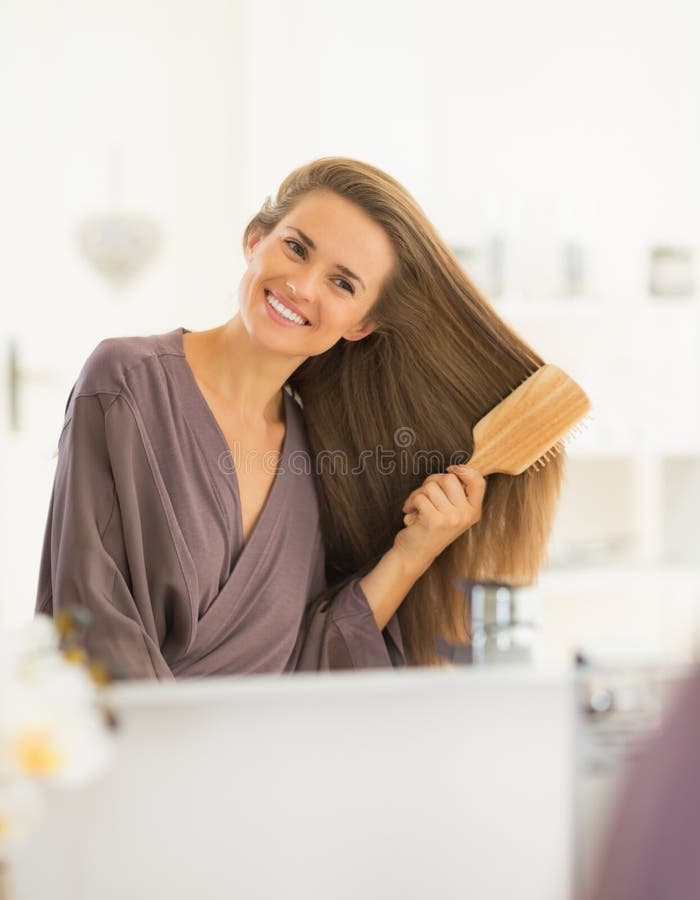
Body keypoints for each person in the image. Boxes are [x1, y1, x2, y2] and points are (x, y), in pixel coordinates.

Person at [35, 157, 564, 679]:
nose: (303, 286)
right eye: (296, 248)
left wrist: (414, 551)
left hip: (274, 755)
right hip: (146, 753)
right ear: (254, 241)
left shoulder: (314, 457)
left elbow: (310, 663)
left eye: (343, 284)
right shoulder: (127, 383)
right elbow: (89, 618)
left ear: (363, 324)